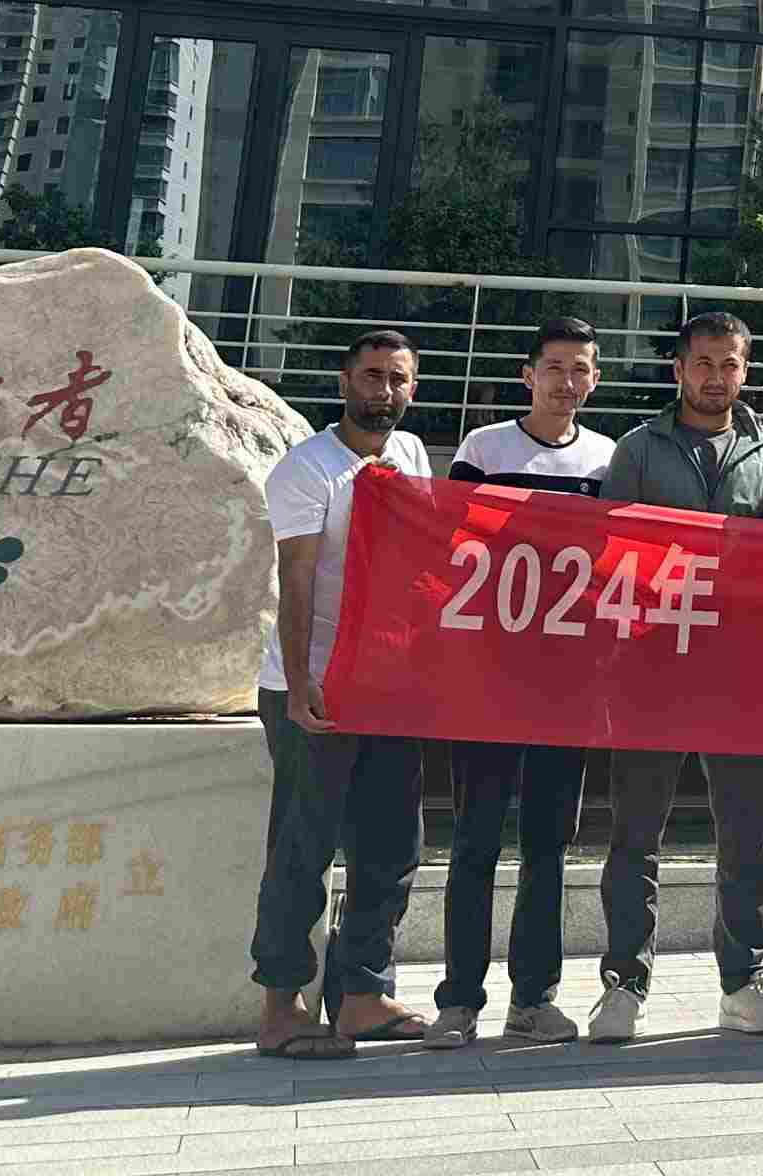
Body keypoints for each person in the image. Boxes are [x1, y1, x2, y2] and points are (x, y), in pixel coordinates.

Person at [591, 310, 763, 1042]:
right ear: (678, 369)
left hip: (739, 670)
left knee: (746, 833)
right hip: (651, 667)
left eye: (729, 363)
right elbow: (611, 552)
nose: (716, 377)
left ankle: (744, 981)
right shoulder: (638, 449)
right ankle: (623, 983)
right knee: (634, 833)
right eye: (703, 363)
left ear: (745, 370)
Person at [426, 316, 614, 1049]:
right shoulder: (483, 449)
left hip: (566, 679)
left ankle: (534, 999)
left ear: (595, 379)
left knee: (548, 843)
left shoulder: (607, 458)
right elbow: (446, 542)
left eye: (581, 369)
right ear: (528, 375)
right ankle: (458, 1000)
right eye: (555, 367)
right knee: (475, 838)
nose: (568, 382)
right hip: (488, 674)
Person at [251, 330, 435, 1058]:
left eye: (397, 379)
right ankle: (282, 1005)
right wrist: (302, 683)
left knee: (392, 844)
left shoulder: (411, 454)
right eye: (371, 376)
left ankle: (362, 994)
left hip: (386, 685)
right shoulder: (307, 469)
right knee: (304, 846)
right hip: (316, 687)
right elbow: (294, 584)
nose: (384, 391)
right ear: (344, 381)